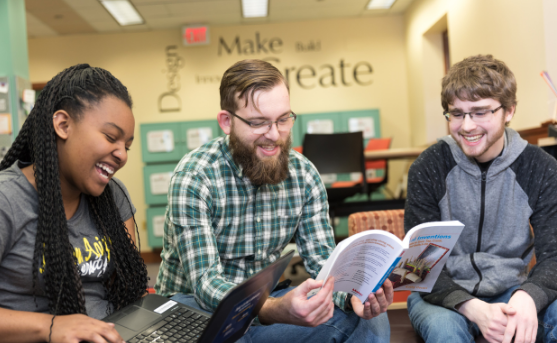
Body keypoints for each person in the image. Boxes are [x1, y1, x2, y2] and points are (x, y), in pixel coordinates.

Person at [154, 59, 392, 342]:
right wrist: (274, 309)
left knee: (366, 318)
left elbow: (321, 261)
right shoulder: (194, 176)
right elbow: (206, 284)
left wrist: (354, 294)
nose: (274, 135)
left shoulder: (303, 174)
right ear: (227, 121)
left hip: (267, 301)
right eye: (258, 122)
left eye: (283, 119)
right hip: (194, 307)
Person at [0, 64, 149, 343]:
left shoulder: (113, 196)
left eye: (126, 145)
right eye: (110, 137)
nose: (121, 154)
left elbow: (129, 286)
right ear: (63, 125)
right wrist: (51, 326)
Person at [405, 54, 557, 343]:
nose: (467, 126)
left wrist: (528, 297)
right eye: (457, 113)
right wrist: (472, 308)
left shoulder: (541, 167)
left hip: (514, 289)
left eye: (480, 112)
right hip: (443, 298)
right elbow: (417, 268)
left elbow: (555, 257)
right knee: (445, 334)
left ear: (509, 111)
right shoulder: (428, 167)